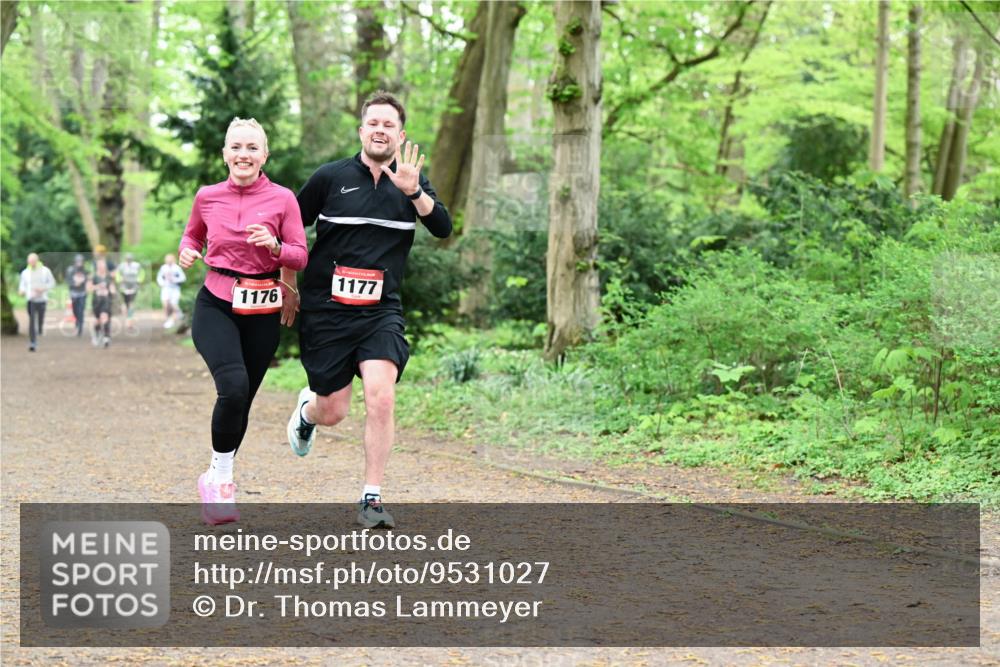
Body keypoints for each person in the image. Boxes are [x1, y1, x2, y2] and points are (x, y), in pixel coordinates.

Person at [283, 91, 452, 528]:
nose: (380, 130)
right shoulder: (330, 177)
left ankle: (371, 497)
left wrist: (415, 192)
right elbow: (289, 230)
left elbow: (443, 226)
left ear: (400, 134)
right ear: (362, 131)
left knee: (381, 394)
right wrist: (286, 282)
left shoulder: (410, 180)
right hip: (327, 310)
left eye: (389, 124)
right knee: (333, 411)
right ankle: (307, 413)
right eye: (373, 123)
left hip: (381, 311)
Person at [179, 117, 307, 526]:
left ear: (264, 155)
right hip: (215, 303)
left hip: (262, 310)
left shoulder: (283, 199)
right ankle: (221, 481)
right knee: (232, 387)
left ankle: (216, 475)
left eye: (252, 148)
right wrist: (186, 252)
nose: (244, 155)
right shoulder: (207, 196)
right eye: (236, 147)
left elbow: (301, 254)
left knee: (242, 400)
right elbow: (191, 236)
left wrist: (275, 246)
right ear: (225, 154)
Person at [18, 253, 56, 352]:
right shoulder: (25, 272)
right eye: (30, 261)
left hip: (42, 299)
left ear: (37, 260)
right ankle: (33, 342)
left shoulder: (45, 271)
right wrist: (22, 291)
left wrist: (43, 289)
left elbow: (52, 283)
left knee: (40, 318)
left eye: (33, 261)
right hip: (31, 300)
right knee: (31, 321)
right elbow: (23, 285)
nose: (32, 263)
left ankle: (40, 328)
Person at [88, 247, 117, 348]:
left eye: (103, 267)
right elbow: (89, 288)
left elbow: (113, 287)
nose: (101, 268)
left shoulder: (109, 277)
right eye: (100, 267)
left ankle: (106, 338)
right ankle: (96, 334)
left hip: (106, 300)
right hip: (96, 301)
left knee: (105, 317)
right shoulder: (94, 277)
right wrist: (97, 286)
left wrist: (112, 291)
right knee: (97, 320)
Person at [116, 252, 145, 331]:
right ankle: (127, 318)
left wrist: (139, 280)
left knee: (131, 304)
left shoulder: (136, 265)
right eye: (127, 259)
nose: (128, 260)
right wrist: (119, 280)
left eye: (130, 259)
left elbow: (142, 273)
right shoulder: (121, 266)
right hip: (124, 288)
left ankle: (129, 321)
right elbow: (117, 274)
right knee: (125, 305)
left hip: (133, 287)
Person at [157, 254, 186, 328]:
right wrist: (161, 283)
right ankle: (170, 318)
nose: (168, 261)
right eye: (167, 259)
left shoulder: (177, 268)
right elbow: (159, 277)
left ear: (173, 260)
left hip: (175, 289)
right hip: (166, 288)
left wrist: (174, 280)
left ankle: (172, 320)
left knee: (173, 304)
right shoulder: (163, 268)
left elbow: (183, 278)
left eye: (170, 259)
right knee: (165, 304)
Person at [65, 254, 89, 337]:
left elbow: (88, 282)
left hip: (82, 293)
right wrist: (75, 284)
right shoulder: (71, 270)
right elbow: (68, 281)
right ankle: (77, 320)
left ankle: (80, 328)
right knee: (75, 310)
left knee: (81, 310)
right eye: (78, 261)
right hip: (74, 293)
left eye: (81, 261)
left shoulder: (85, 271)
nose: (80, 263)